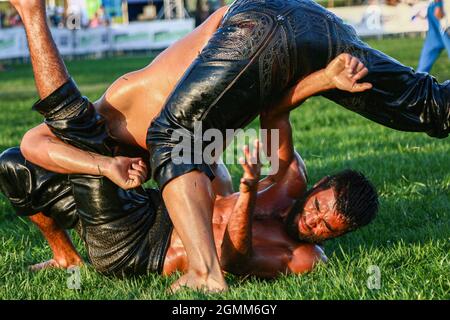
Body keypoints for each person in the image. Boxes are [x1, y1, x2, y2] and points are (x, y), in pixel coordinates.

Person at [8, 0, 449, 291]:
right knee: (25, 161)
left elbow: (270, 119)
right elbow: (36, 141)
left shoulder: (300, 235)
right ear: (320, 188)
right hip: (277, 22)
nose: (315, 225)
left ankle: (204, 273)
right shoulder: (115, 118)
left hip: (294, 22)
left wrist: (321, 81)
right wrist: (322, 80)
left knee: (430, 105)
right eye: (319, 214)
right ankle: (68, 258)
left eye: (327, 228)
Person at [417, 0, 450, 73]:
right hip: (434, 9)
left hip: (444, 11)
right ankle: (419, 81)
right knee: (422, 68)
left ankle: (419, 79)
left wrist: (439, 5)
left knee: (422, 68)